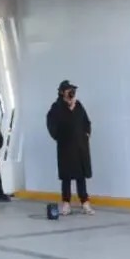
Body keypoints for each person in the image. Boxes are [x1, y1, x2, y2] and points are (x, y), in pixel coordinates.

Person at [46, 80, 94, 216]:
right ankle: (66, 203)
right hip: (66, 147)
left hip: (80, 146)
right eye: (69, 90)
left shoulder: (78, 105)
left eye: (73, 90)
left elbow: (86, 122)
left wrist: (86, 134)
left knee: (81, 176)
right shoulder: (56, 107)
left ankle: (85, 202)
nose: (72, 92)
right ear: (62, 92)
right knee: (66, 177)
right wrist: (59, 136)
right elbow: (52, 124)